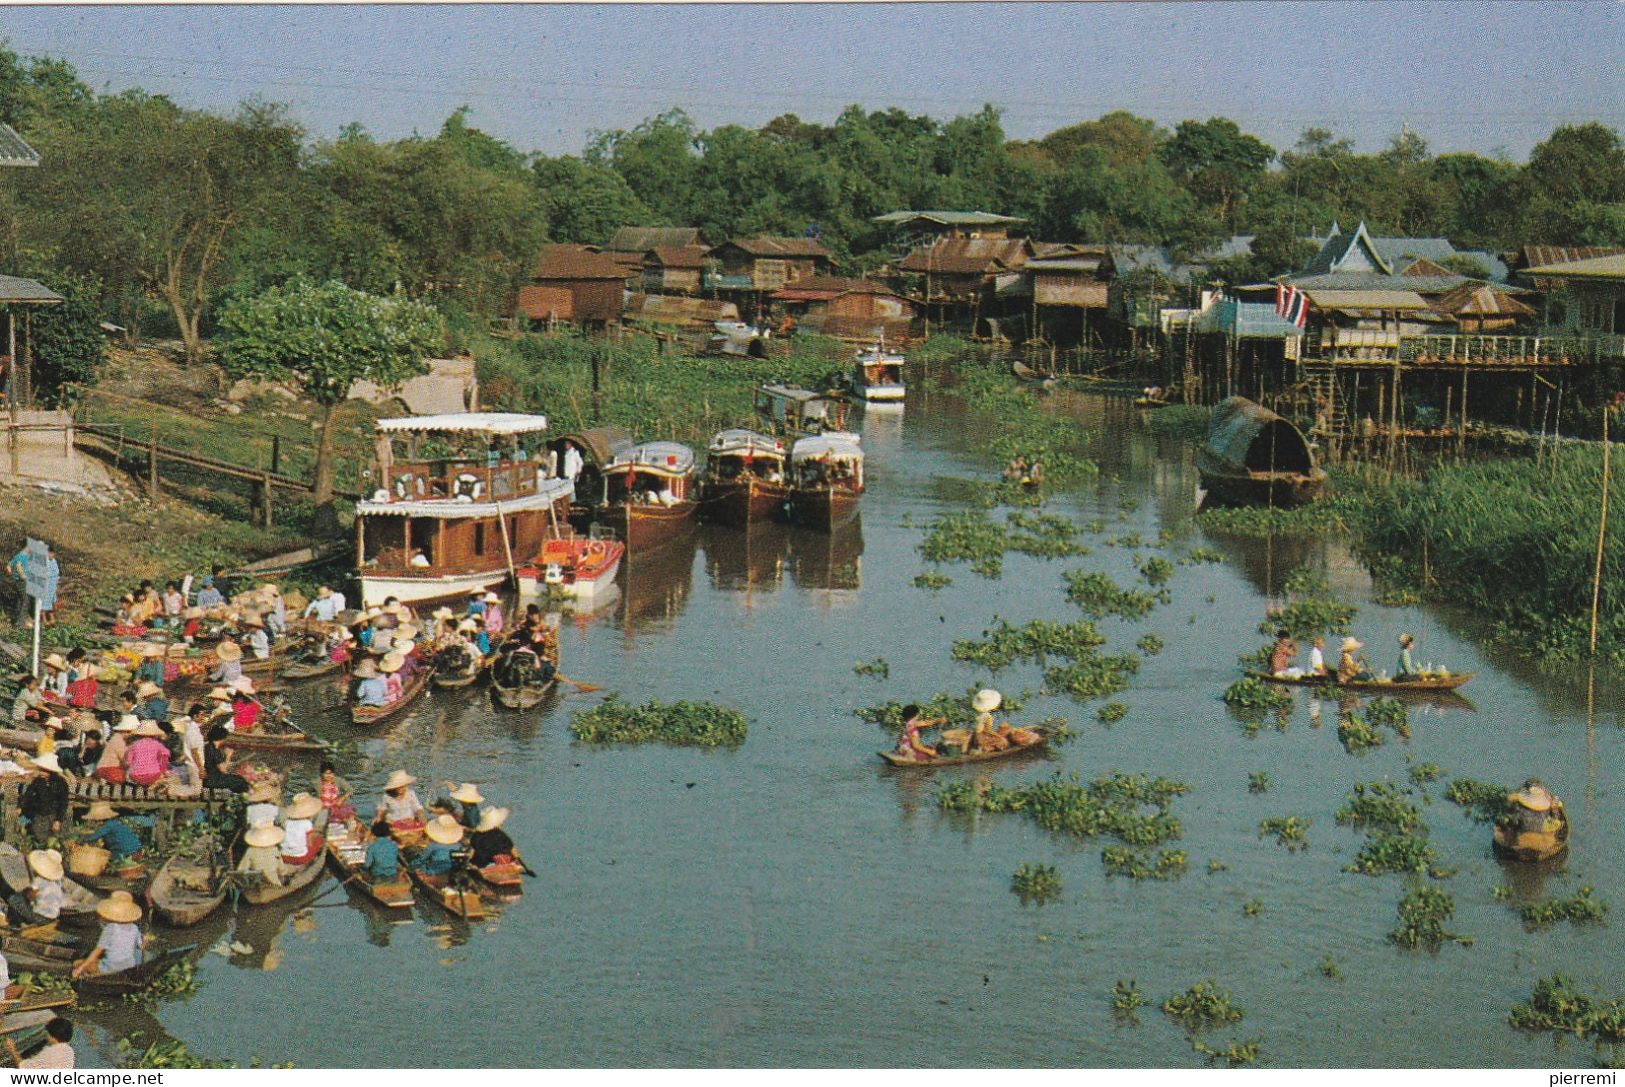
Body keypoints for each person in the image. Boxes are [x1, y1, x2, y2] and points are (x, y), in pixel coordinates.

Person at [72, 890, 146, 978]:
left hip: (111, 967)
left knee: (76, 963)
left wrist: (80, 969)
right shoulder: (134, 927)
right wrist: (145, 940)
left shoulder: (110, 928)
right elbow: (141, 947)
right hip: (129, 966)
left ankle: (97, 974)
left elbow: (96, 952)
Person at [19, 753, 68, 843]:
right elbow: (28, 795)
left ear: (51, 771)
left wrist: (58, 820)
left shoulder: (61, 783)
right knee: (40, 838)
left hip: (54, 813)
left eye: (44, 770)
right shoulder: (38, 781)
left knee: (56, 839)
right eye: (40, 770)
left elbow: (63, 802)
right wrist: (21, 807)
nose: (41, 772)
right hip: (40, 814)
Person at [16, 848, 65, 924]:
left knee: (15, 898)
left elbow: (30, 896)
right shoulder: (58, 881)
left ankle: (16, 924)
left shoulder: (39, 881)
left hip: (40, 917)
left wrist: (24, 892)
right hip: (53, 917)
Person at [6, 1016, 74, 1068]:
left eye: (48, 1033)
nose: (47, 1035)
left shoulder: (49, 1054)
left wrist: (12, 1050)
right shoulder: (69, 1051)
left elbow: (24, 1067)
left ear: (53, 1037)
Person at [202, 724, 249, 794]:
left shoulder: (207, 747)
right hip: (214, 780)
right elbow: (223, 770)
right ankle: (243, 799)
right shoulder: (214, 750)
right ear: (222, 738)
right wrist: (228, 755)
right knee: (241, 781)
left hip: (208, 779)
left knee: (237, 778)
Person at [122, 720, 171, 787]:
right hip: (153, 775)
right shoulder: (157, 744)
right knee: (165, 777)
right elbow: (166, 754)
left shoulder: (134, 745)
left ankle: (141, 789)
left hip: (135, 776)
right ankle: (152, 787)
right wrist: (163, 770)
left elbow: (129, 762)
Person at [280, 792, 324, 866]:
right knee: (319, 840)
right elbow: (309, 843)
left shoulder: (287, 822)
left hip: (284, 856)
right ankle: (311, 861)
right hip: (300, 858)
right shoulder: (307, 823)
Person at [236, 823, 285, 888]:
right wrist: (283, 874)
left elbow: (241, 870)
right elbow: (282, 870)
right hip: (274, 883)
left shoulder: (250, 850)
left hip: (257, 883)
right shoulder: (275, 850)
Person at [96, 715, 137, 783]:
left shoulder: (121, 739)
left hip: (109, 768)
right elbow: (125, 760)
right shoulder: (118, 739)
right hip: (108, 769)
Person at [969, 688, 1009, 753]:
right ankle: (984, 748)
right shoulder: (986, 716)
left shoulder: (980, 714)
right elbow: (986, 731)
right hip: (982, 738)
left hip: (979, 736)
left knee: (1004, 728)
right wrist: (1000, 737)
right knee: (1003, 742)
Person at [361, 817, 401, 881]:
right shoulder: (394, 845)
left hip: (378, 875)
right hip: (393, 875)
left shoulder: (372, 847)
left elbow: (367, 864)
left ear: (375, 833)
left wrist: (361, 868)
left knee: (363, 872)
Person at [316, 761, 354, 827]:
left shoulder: (338, 780)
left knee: (349, 817)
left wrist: (342, 798)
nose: (328, 776)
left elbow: (350, 790)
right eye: (326, 773)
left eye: (330, 773)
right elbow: (307, 792)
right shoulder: (316, 782)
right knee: (319, 823)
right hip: (322, 808)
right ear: (321, 774)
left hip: (337, 806)